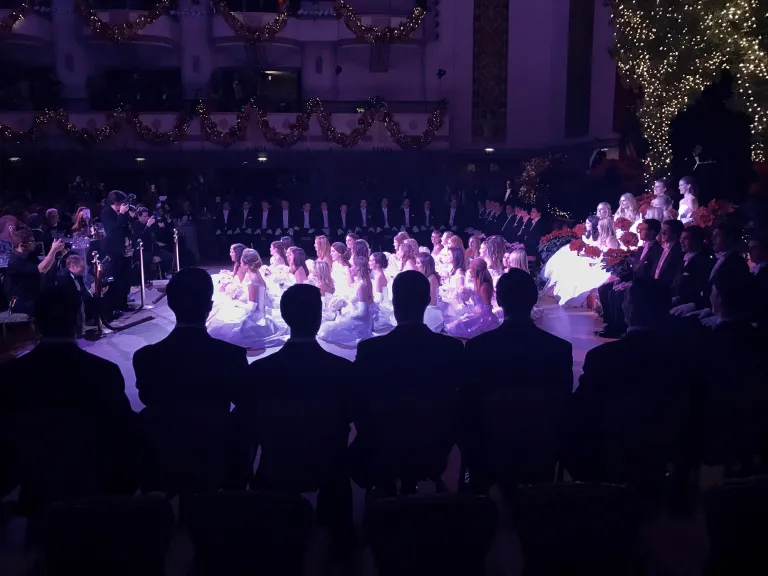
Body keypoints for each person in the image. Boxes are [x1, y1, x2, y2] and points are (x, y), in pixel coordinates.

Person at [0, 285, 137, 521]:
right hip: (93, 476)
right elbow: (123, 431)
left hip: (34, 476)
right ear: (78, 319)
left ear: (37, 323)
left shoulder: (12, 373)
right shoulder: (103, 371)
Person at [240, 284, 354, 547]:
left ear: (285, 317)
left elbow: (248, 425)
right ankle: (340, 540)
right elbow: (352, 415)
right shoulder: (342, 370)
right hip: (328, 465)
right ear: (318, 318)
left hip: (275, 463)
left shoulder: (260, 371)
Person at [565, 278, 694, 483]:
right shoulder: (684, 357)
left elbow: (581, 411)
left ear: (629, 308)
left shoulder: (602, 358)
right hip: (667, 454)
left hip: (612, 458)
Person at [350, 271, 464, 491]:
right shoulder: (451, 349)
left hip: (383, 445)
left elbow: (357, 402)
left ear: (394, 302)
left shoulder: (371, 350)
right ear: (426, 301)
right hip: (435, 444)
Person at [461, 268, 573, 488]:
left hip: (489, 450)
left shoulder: (477, 347)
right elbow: (564, 404)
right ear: (533, 300)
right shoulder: (558, 349)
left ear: (499, 299)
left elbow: (467, 405)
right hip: (540, 450)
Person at [134, 268, 249, 413]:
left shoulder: (146, 357)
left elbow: (148, 400)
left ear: (170, 304)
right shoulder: (232, 356)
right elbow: (245, 405)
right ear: (209, 305)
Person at [207, 249, 288, 350]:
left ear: (247, 265)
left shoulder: (252, 280)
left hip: (255, 316)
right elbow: (259, 299)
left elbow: (252, 307)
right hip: (261, 311)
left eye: (241, 263)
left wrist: (235, 302)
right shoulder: (258, 275)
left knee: (222, 318)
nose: (240, 265)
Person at [6, 227, 66, 315]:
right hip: (22, 301)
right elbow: (41, 269)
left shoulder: (30, 255)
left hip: (34, 295)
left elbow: (45, 267)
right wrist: (53, 250)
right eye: (31, 242)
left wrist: (56, 255)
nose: (35, 243)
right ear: (22, 245)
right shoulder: (15, 261)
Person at [100, 190, 134, 317]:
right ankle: (113, 307)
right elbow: (112, 231)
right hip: (113, 250)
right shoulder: (107, 213)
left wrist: (128, 215)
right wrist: (121, 215)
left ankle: (123, 304)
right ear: (115, 202)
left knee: (126, 278)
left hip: (126, 248)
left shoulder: (122, 212)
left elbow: (127, 227)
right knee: (115, 279)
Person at [133, 206, 173, 279]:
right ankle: (148, 278)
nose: (147, 218)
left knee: (169, 256)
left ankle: (167, 273)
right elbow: (140, 237)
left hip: (154, 249)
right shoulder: (136, 224)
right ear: (139, 216)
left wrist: (161, 225)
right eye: (144, 216)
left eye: (147, 216)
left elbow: (158, 233)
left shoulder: (151, 224)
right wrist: (147, 225)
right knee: (148, 260)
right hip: (143, 251)